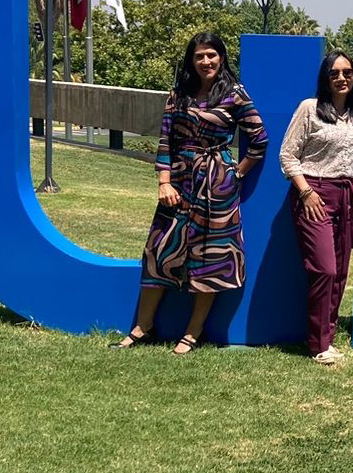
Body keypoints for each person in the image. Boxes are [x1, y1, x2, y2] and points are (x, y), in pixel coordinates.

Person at [111, 32, 267, 355]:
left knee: (211, 258)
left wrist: (236, 173)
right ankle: (142, 327)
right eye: (199, 56)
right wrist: (163, 182)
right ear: (191, 60)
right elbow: (166, 140)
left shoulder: (235, 94)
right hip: (179, 182)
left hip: (217, 186)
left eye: (211, 55)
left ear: (221, 57)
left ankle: (192, 332)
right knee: (159, 250)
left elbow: (259, 138)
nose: (206, 61)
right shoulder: (178, 94)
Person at [280, 49, 353, 364]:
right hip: (314, 193)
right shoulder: (310, 108)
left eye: (347, 72)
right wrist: (306, 192)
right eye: (335, 73)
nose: (342, 78)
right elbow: (287, 155)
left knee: (341, 271)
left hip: (345, 194)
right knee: (325, 269)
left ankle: (326, 337)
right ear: (325, 78)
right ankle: (317, 343)